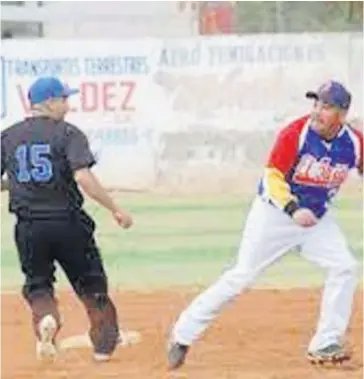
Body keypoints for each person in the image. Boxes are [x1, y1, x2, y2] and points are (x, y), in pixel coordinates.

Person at [167, 80, 363, 369]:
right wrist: (293, 208)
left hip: (316, 221)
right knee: (241, 276)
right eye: (316, 103)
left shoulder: (354, 143)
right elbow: (273, 177)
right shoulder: (296, 134)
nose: (317, 111)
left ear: (342, 114)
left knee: (344, 266)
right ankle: (182, 335)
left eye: (326, 106)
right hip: (274, 216)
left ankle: (325, 343)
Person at [1, 77, 133, 362]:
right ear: (49, 102)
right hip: (68, 223)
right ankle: (103, 346)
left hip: (28, 227)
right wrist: (115, 208)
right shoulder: (68, 134)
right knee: (91, 284)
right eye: (64, 99)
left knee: (38, 284)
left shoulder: (8, 136)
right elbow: (83, 176)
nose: (68, 105)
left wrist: (21, 186)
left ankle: (47, 318)